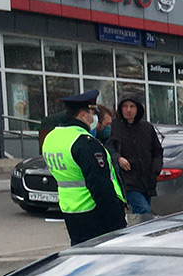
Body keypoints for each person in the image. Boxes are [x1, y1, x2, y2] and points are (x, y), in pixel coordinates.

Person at [42, 89, 128, 245]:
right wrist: (118, 224)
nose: (94, 117)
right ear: (83, 115)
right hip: (95, 212)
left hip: (71, 211)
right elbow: (100, 186)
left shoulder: (51, 138)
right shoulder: (85, 142)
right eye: (92, 112)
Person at [112, 91, 164, 222]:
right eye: (125, 106)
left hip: (147, 180)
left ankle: (141, 238)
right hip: (128, 180)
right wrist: (118, 158)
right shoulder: (114, 127)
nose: (128, 110)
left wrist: (155, 170)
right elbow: (108, 148)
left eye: (132, 106)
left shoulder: (146, 127)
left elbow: (157, 151)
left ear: (138, 108)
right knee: (143, 211)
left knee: (141, 216)